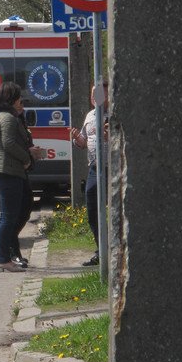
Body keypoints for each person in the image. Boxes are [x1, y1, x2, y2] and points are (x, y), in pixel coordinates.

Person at [0, 83, 45, 273]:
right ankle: (2, 258)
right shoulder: (8, 119)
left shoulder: (1, 117)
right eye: (19, 100)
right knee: (7, 218)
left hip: (6, 172)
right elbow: (8, 143)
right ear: (11, 101)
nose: (21, 103)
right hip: (8, 171)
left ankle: (5, 257)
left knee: (9, 217)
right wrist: (26, 158)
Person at [70, 82, 109, 267]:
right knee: (92, 210)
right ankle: (101, 251)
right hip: (94, 168)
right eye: (93, 95)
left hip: (112, 168)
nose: (96, 98)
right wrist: (78, 139)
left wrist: (112, 137)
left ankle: (115, 250)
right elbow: (84, 142)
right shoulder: (90, 116)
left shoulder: (114, 114)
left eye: (100, 94)